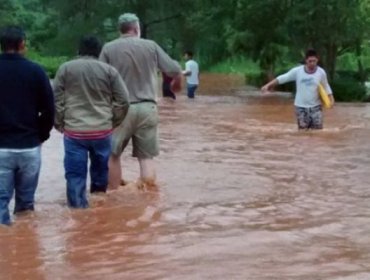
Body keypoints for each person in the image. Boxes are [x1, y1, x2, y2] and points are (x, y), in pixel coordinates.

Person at [99, 13, 182, 189]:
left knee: (112, 155)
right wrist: (176, 84)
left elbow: (100, 79)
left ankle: (112, 199)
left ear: (119, 29)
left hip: (120, 109)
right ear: (136, 29)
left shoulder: (108, 48)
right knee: (146, 158)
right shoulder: (150, 46)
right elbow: (174, 69)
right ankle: (149, 202)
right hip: (147, 107)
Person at [53, 36, 130, 208]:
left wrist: (59, 123)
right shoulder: (109, 71)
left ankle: (77, 213)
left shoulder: (65, 69)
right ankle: (98, 212)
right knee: (100, 173)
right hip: (102, 131)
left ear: (79, 51)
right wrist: (113, 121)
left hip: (74, 132)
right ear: (99, 51)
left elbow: (56, 99)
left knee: (75, 175)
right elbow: (124, 100)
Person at [0, 26, 54, 225]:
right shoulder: (36, 71)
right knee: (25, 205)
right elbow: (49, 109)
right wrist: (41, 135)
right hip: (29, 146)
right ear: (22, 44)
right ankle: (26, 248)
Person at [261, 49, 335, 130]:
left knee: (317, 132)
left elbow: (325, 86)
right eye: (310, 61)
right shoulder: (297, 71)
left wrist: (331, 99)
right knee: (302, 132)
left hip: (316, 107)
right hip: (300, 107)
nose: (312, 63)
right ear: (306, 60)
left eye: (314, 61)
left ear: (317, 59)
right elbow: (282, 78)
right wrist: (267, 85)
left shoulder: (321, 72)